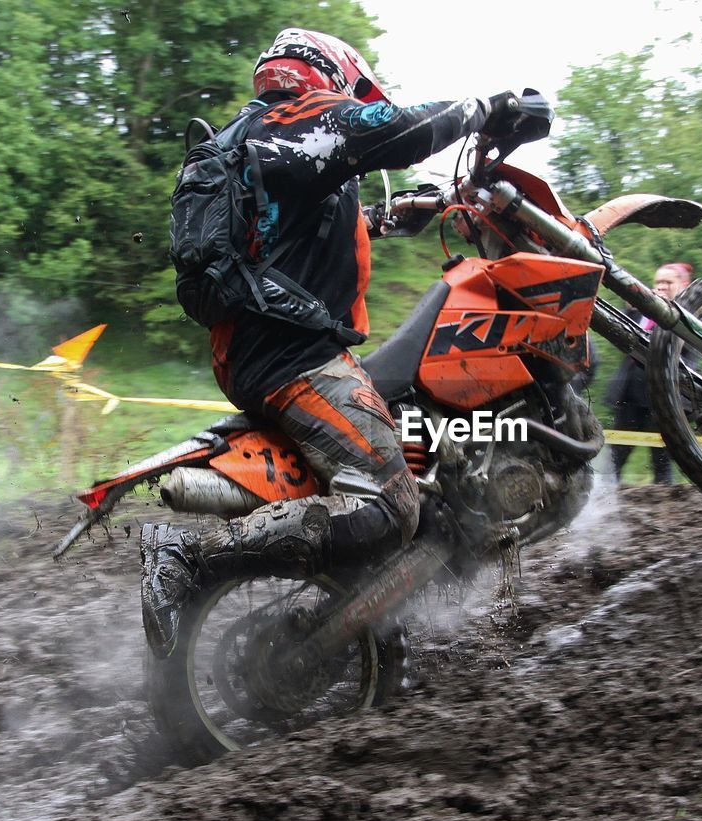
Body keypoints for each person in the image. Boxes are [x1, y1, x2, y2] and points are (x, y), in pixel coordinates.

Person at [142, 28, 523, 654]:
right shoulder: (304, 116)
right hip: (294, 358)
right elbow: (404, 129)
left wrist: (388, 217)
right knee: (391, 503)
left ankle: (391, 599)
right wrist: (488, 109)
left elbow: (287, 235)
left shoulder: (253, 138)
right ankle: (188, 555)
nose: (350, 99)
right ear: (329, 74)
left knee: (411, 441)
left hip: (256, 350)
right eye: (349, 90)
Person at [604, 262, 692, 485]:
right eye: (658, 282)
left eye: (668, 282)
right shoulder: (644, 311)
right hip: (630, 396)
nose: (661, 287)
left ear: (683, 286)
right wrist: (631, 309)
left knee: (662, 463)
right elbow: (623, 340)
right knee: (614, 459)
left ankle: (665, 513)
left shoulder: (693, 315)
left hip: (664, 399)